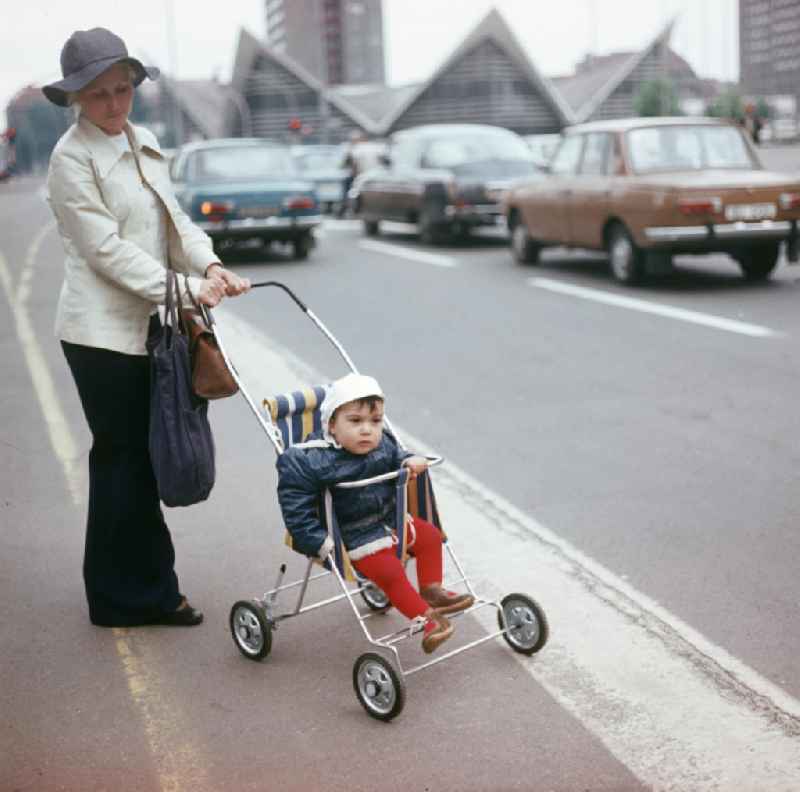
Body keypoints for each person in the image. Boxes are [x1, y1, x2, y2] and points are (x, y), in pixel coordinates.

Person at [43, 28, 251, 628]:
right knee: (123, 460)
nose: (115, 105)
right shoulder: (70, 160)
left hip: (149, 327)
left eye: (123, 90)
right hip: (100, 336)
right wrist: (187, 289)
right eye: (100, 94)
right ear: (77, 99)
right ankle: (131, 597)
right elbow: (106, 252)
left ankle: (139, 591)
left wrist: (209, 263)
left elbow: (175, 222)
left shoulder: (145, 140)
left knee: (142, 459)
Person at [276, 374, 474, 653]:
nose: (367, 430)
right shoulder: (310, 459)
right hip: (355, 538)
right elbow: (296, 506)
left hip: (390, 522)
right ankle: (430, 621)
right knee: (391, 572)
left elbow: (398, 455)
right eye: (355, 421)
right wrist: (318, 542)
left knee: (430, 536)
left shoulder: (383, 443)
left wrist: (408, 460)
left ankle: (432, 589)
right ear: (332, 425)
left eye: (375, 421)